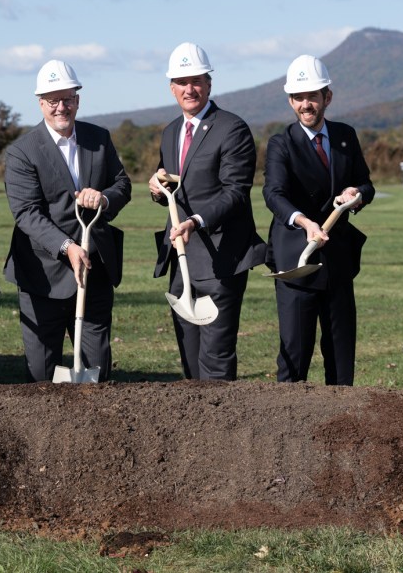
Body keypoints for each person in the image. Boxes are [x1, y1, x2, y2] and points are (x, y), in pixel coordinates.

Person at [3, 60, 132, 381]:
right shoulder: (22, 151)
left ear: (77, 99)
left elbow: (122, 184)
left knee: (95, 371)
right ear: (40, 103)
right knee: (41, 374)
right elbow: (26, 212)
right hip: (42, 275)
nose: (61, 107)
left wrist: (103, 198)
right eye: (53, 100)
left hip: (93, 268)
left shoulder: (99, 138)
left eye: (68, 99)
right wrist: (67, 246)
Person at [148, 42, 266, 381]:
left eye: (196, 81)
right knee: (189, 362)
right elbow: (174, 187)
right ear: (171, 88)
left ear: (209, 84)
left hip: (221, 259)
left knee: (215, 362)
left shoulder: (232, 128)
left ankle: (220, 417)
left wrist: (196, 221)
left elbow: (236, 192)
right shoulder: (171, 132)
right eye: (181, 82)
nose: (190, 89)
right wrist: (157, 189)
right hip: (181, 258)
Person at [263, 55, 374, 386]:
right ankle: (287, 417)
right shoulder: (281, 143)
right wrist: (305, 222)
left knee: (340, 356)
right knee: (295, 356)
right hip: (297, 262)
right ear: (290, 101)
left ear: (328, 97)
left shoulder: (345, 136)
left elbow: (366, 184)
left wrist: (357, 194)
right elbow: (274, 194)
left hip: (338, 260)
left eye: (312, 96)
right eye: (298, 98)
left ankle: (341, 417)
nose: (305, 104)